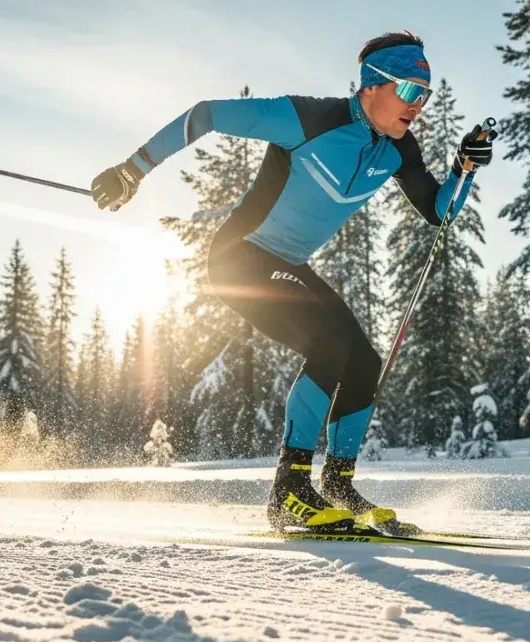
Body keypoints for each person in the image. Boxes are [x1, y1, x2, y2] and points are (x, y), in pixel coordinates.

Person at [90, 31, 495, 535]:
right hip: (240, 260)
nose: (419, 106)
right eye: (411, 91)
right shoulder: (309, 119)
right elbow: (208, 114)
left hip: (289, 264)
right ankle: (289, 491)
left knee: (363, 361)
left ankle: (338, 485)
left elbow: (441, 212)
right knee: (327, 343)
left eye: (426, 96)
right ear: (373, 85)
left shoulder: (397, 151)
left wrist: (464, 167)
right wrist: (133, 169)